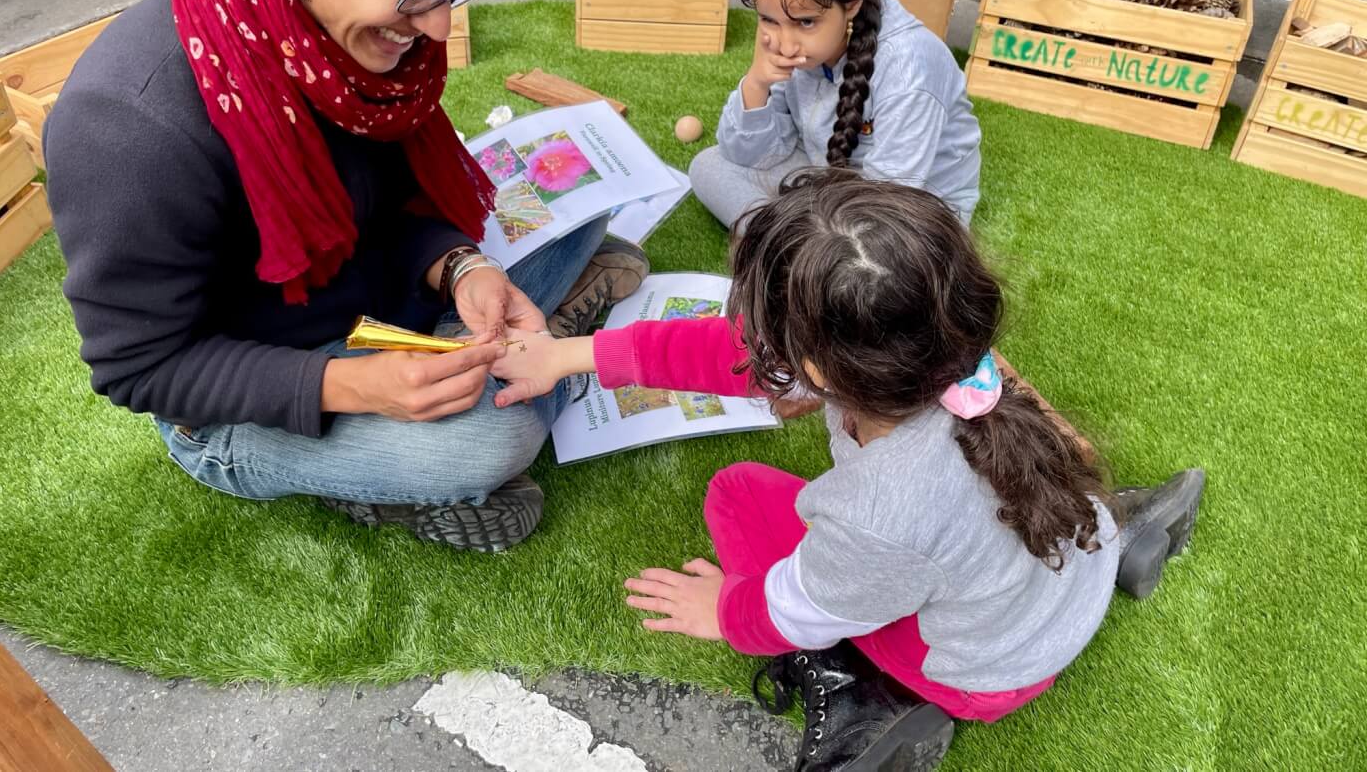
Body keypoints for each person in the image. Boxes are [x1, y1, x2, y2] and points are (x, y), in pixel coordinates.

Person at [42, 0, 647, 553]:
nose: (434, 33)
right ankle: (492, 397)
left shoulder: (342, 39)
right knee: (491, 444)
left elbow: (392, 197)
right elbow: (142, 367)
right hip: (250, 391)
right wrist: (350, 387)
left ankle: (513, 360)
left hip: (373, 309)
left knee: (587, 214)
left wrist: (460, 268)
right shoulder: (131, 121)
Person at [492, 169, 1204, 772]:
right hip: (1078, 560)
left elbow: (797, 607)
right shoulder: (959, 361)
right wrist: (571, 354)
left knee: (736, 496)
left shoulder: (877, 514)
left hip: (988, 674)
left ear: (809, 367)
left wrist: (728, 612)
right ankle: (1127, 527)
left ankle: (856, 686)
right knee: (927, 546)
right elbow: (726, 353)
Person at [689, 0, 981, 229]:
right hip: (825, 178)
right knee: (708, 166)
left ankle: (783, 248)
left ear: (853, 3)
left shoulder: (910, 64)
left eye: (806, 22)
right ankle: (791, 249)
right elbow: (751, 155)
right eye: (769, 20)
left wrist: (808, 218)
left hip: (908, 212)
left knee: (879, 253)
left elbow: (891, 201)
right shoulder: (795, 43)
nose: (785, 44)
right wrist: (756, 84)